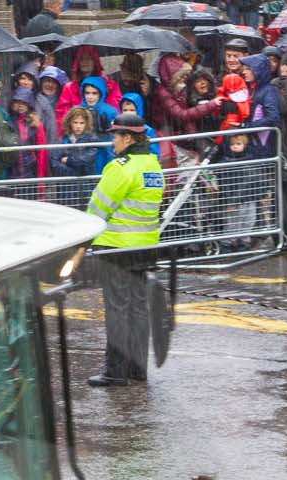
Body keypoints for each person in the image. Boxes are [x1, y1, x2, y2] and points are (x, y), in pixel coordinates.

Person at [84, 111, 164, 388]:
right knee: (139, 308)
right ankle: (137, 368)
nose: (112, 142)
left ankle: (115, 372)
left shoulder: (121, 167)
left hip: (116, 247)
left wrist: (83, 239)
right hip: (145, 246)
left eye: (115, 136)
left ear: (128, 138)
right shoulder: (152, 165)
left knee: (117, 308)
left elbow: (97, 209)